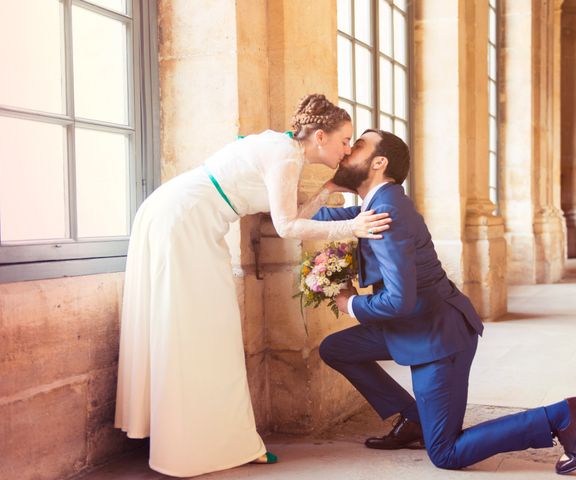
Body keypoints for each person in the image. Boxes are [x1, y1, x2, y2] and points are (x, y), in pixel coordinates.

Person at [114, 94, 392, 478]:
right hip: (183, 219)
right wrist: (352, 227)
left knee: (204, 328)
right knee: (199, 328)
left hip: (185, 216)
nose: (347, 150)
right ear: (321, 136)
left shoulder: (285, 150)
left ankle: (208, 437)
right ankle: (192, 444)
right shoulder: (285, 155)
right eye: (345, 140)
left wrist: (328, 190)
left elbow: (290, 216)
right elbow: (287, 229)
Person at [313, 129, 576, 475]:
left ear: (378, 162)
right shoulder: (376, 205)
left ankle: (564, 414)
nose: (346, 152)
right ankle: (416, 420)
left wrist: (349, 305)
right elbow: (314, 219)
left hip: (438, 337)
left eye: (357, 146)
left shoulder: (388, 213)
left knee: (446, 453)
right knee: (335, 349)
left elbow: (399, 301)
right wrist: (326, 188)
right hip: (411, 325)